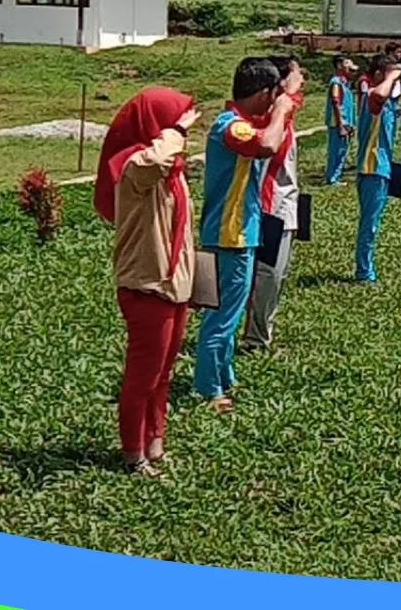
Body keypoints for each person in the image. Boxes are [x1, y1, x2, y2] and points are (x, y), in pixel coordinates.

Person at [95, 88, 202, 477]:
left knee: (164, 372)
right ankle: (132, 453)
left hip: (175, 285)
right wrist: (174, 129)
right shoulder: (134, 166)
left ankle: (155, 442)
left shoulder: (173, 173)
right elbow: (155, 158)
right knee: (142, 376)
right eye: (177, 119)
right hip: (147, 286)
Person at [194, 58, 300, 411]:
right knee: (222, 315)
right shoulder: (232, 127)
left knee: (231, 312)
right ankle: (210, 389)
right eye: (272, 95)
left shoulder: (236, 124)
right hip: (230, 235)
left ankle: (223, 376)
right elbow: (267, 145)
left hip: (238, 233)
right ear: (262, 93)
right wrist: (283, 110)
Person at [242, 55, 305, 353]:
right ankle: (255, 340)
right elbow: (272, 146)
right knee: (267, 276)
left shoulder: (282, 115)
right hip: (271, 205)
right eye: (296, 74)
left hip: (287, 204)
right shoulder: (269, 118)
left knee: (276, 276)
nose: (302, 79)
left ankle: (261, 332)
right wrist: (288, 94)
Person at [354, 55, 401, 283]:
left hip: (383, 169)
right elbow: (379, 94)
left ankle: (367, 266)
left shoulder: (388, 104)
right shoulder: (371, 97)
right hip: (372, 169)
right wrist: (393, 74)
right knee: (369, 224)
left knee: (374, 223)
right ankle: (364, 271)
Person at [324, 55, 356, 186]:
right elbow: (335, 102)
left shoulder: (345, 84)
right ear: (339, 66)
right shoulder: (336, 83)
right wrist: (341, 124)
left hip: (346, 121)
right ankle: (332, 177)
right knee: (336, 150)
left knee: (342, 150)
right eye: (347, 65)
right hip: (338, 123)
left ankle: (337, 175)